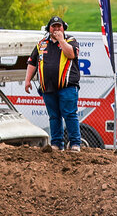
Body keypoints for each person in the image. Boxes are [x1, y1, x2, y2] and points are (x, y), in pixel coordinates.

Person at [24, 16, 82, 151]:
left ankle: (75, 144)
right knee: (54, 116)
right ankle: (56, 144)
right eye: (53, 26)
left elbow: (72, 54)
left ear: (64, 27)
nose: (56, 29)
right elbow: (32, 62)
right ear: (48, 28)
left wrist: (61, 40)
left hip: (67, 86)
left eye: (59, 26)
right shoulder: (41, 44)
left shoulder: (70, 40)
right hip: (47, 87)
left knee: (70, 114)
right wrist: (27, 80)